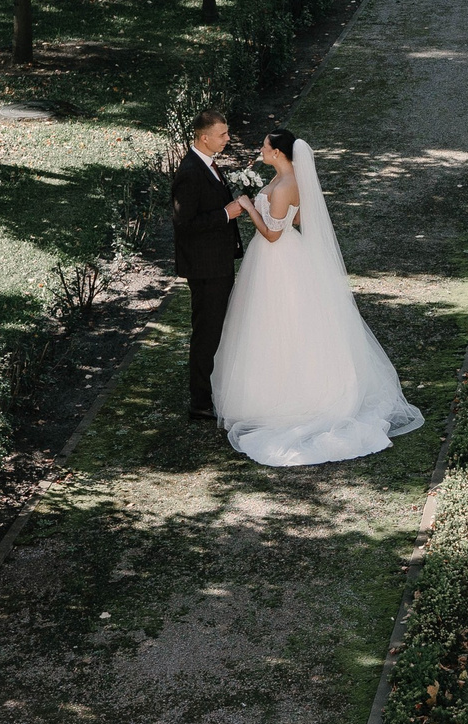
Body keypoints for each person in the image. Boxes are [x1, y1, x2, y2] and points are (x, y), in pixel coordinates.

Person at [210, 129, 424, 466]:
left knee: (280, 324)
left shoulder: (283, 185)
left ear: (279, 152)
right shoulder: (286, 179)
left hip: (276, 258)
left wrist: (249, 206)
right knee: (275, 325)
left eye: (266, 146)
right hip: (280, 258)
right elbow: (296, 218)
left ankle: (286, 396)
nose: (261, 150)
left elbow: (272, 233)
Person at [170, 108, 249, 421]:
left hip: (217, 263)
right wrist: (226, 214)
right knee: (207, 333)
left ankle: (213, 388)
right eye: (222, 135)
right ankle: (200, 402)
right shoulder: (190, 171)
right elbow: (184, 224)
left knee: (216, 329)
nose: (228, 139)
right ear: (204, 138)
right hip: (205, 269)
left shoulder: (208, 165)